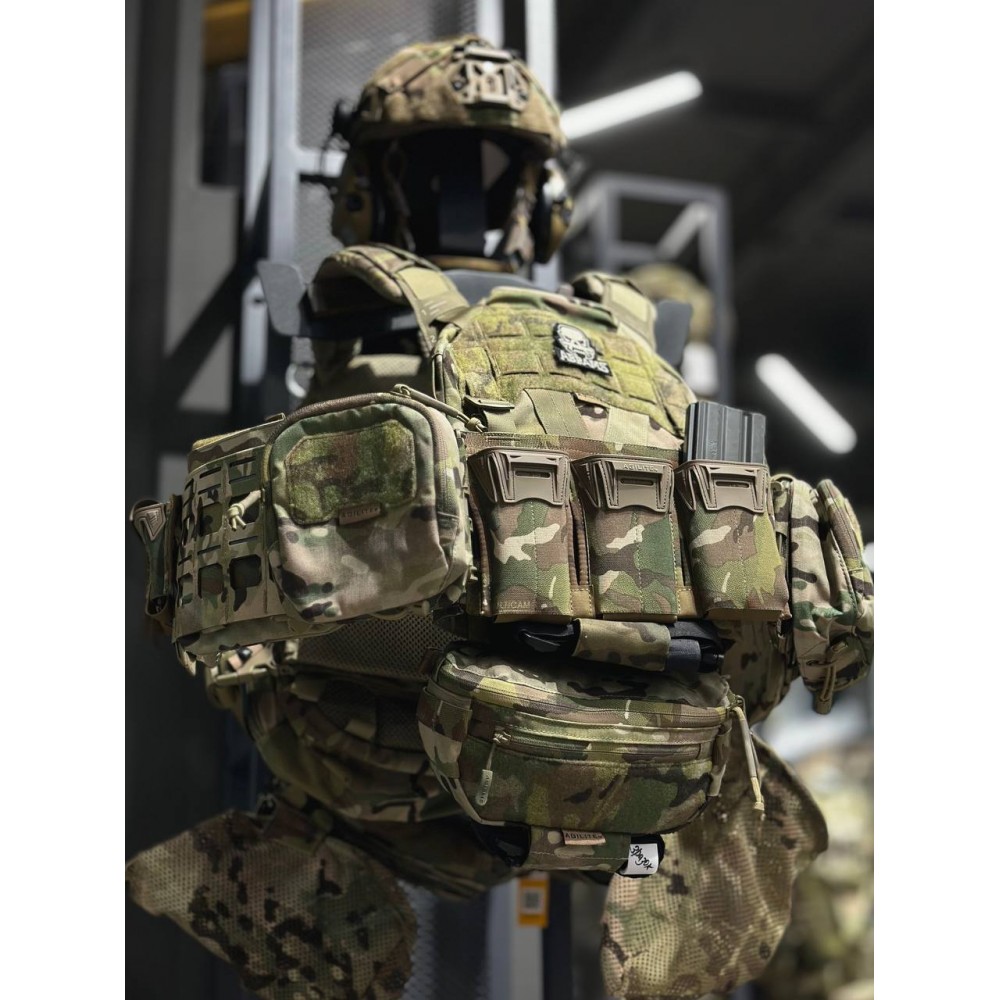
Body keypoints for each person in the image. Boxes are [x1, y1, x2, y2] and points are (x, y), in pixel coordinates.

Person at [127, 34, 874, 1000]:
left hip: (387, 782)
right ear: (546, 201)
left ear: (361, 187)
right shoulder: (637, 335)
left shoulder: (350, 305)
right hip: (638, 785)